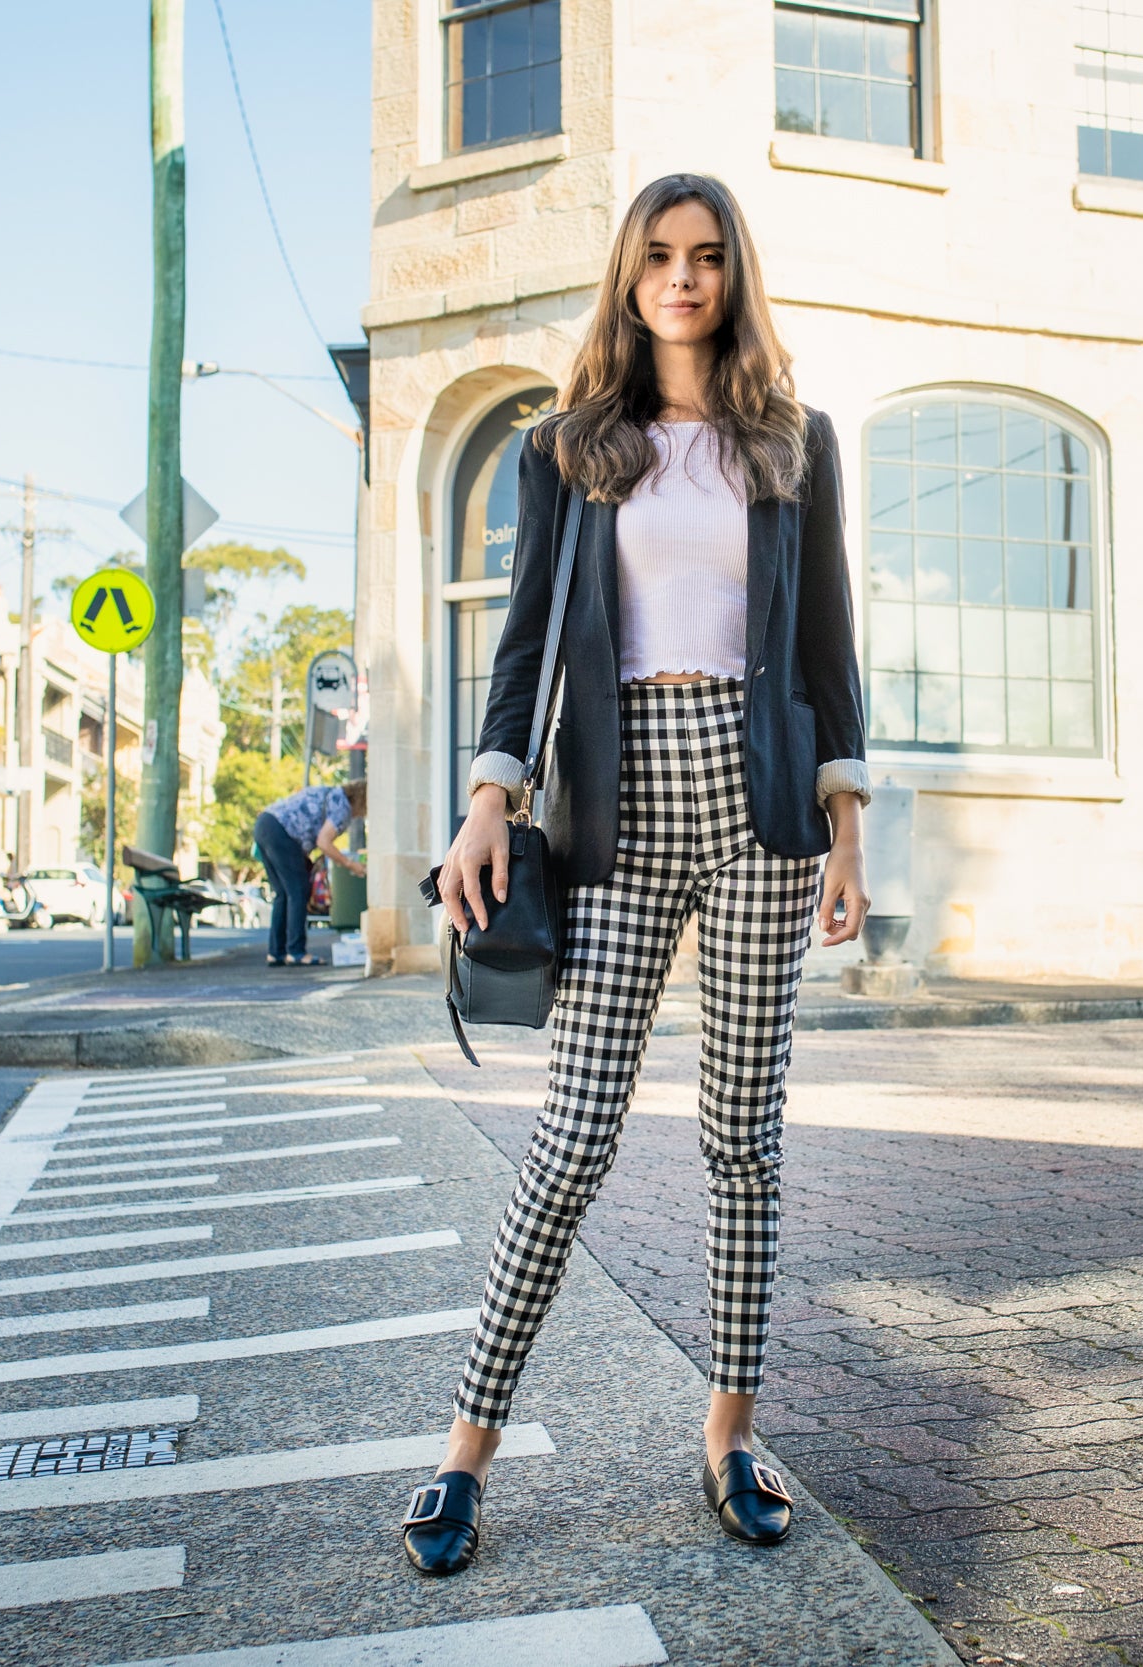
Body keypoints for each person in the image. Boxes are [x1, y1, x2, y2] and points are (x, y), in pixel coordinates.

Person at [406, 172, 868, 1576]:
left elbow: (829, 647)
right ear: (628, 275)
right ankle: (460, 1454)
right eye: (659, 256)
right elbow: (524, 642)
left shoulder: (796, 441)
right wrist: (491, 801)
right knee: (569, 1145)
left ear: (735, 276)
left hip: (760, 806)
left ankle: (729, 1432)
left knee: (745, 1137)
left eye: (707, 256)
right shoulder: (566, 446)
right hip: (612, 810)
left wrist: (847, 823)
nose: (682, 277)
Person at [254, 778, 365, 967]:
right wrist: (349, 864)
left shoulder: (330, 793)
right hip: (282, 831)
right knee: (298, 891)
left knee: (283, 893)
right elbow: (324, 841)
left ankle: (276, 952)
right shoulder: (342, 806)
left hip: (265, 823)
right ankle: (296, 952)